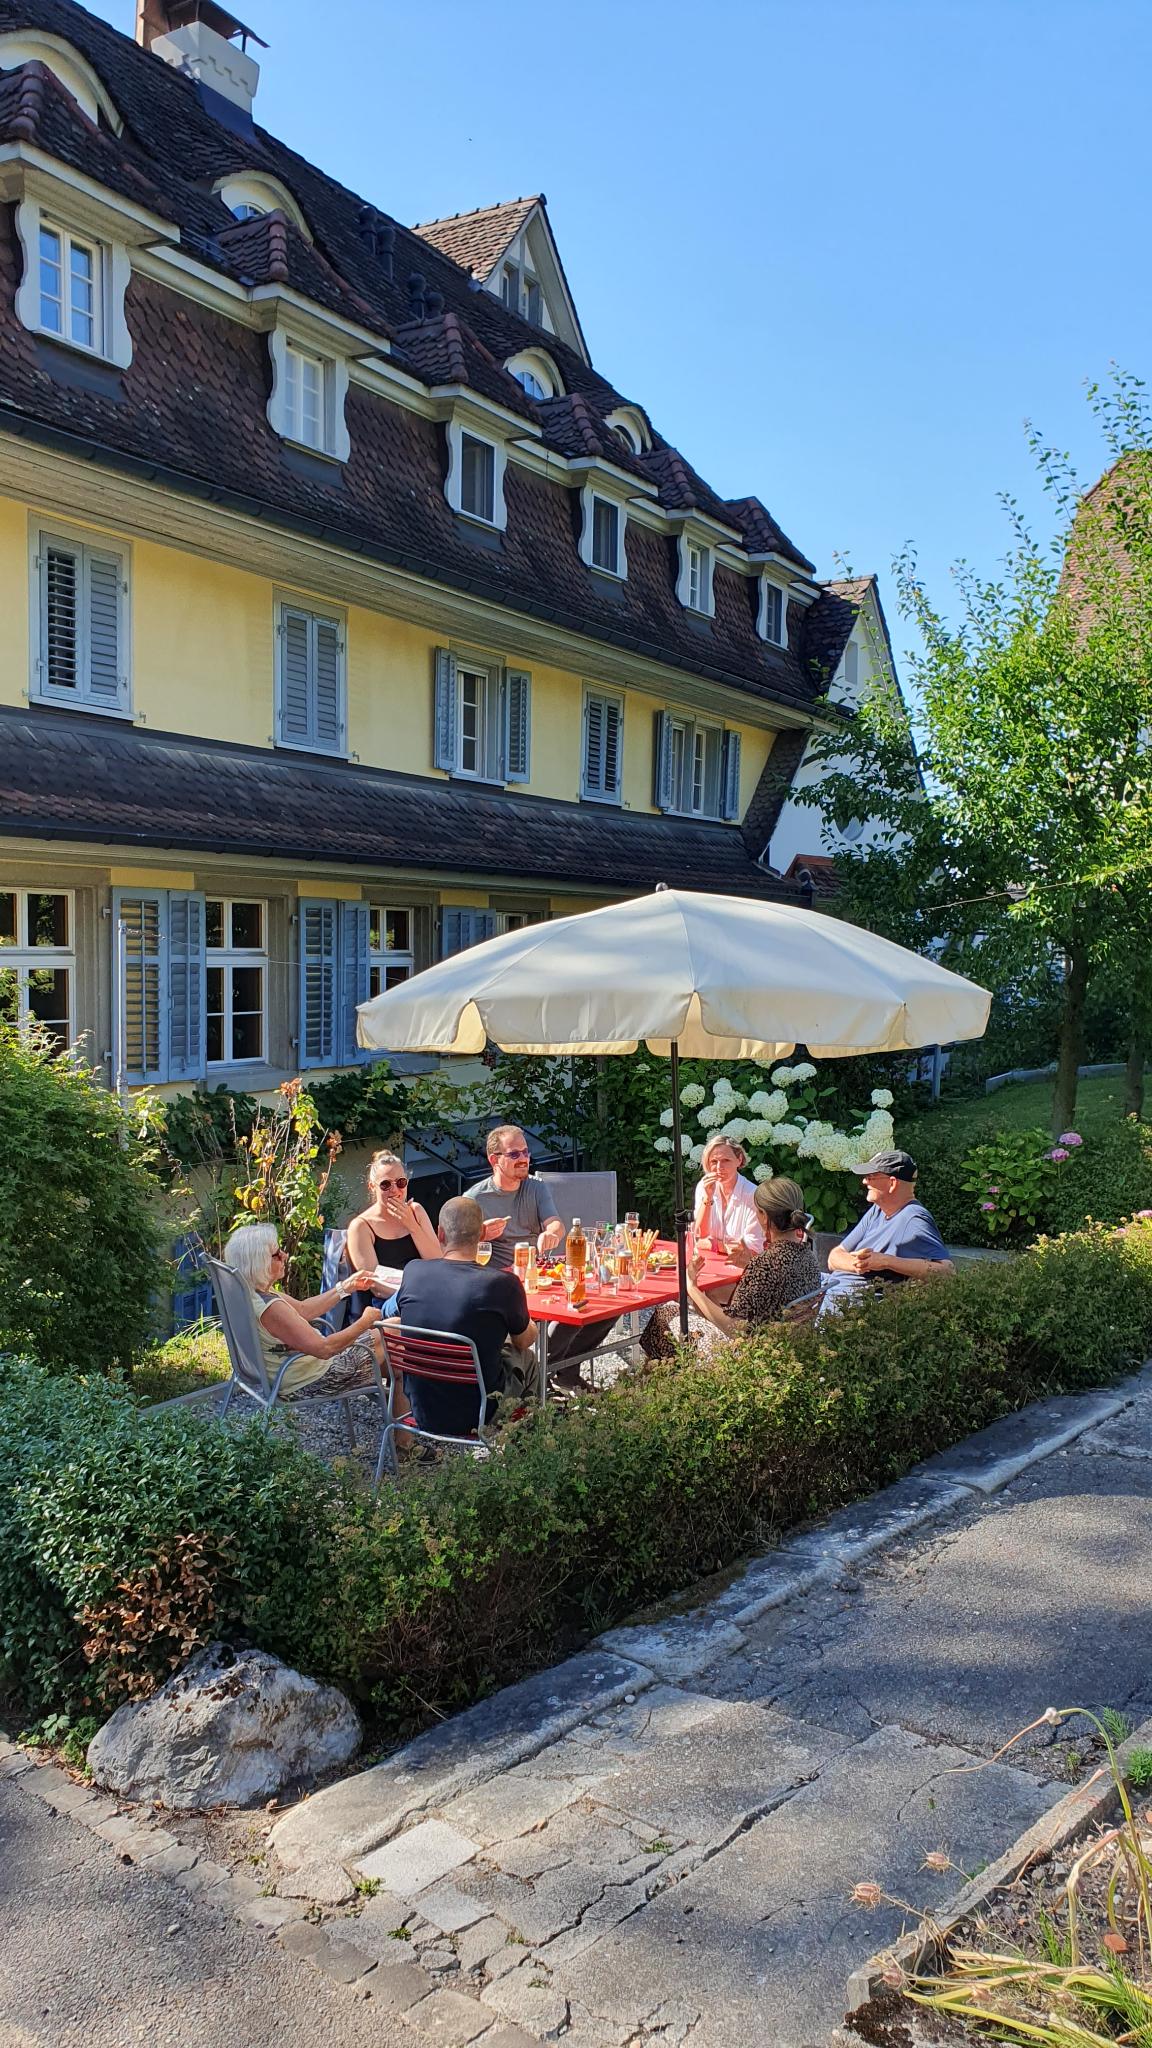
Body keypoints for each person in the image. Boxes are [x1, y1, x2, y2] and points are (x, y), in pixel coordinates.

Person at [394, 1196, 537, 1437]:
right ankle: (526, 1441)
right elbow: (523, 1340)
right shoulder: (502, 1284)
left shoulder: (413, 1271)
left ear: (440, 1233)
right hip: (479, 1412)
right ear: (482, 1234)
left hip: (421, 1408)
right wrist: (528, 1322)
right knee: (528, 1358)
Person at [642, 1176, 819, 1360]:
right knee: (710, 1295)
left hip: (752, 1356)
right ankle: (672, 1371)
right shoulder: (808, 1256)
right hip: (789, 1348)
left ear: (764, 1216)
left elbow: (734, 1328)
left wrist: (692, 1287)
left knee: (666, 1313)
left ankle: (663, 1375)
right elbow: (771, 1292)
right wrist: (751, 1264)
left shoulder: (766, 1263)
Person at [222, 1221, 388, 1400]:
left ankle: (398, 1398)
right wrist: (365, 1322)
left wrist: (346, 1286)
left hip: (297, 1372)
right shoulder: (271, 1309)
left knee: (396, 1363)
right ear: (259, 1263)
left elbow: (304, 1309)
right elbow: (325, 1348)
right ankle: (399, 1402)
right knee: (393, 1329)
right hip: (314, 1380)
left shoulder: (252, 1292)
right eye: (277, 1254)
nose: (285, 1255)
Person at [820, 1151, 954, 1313]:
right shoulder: (878, 1210)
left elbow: (947, 1271)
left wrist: (886, 1261)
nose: (864, 1181)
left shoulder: (914, 1218)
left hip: (857, 1309)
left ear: (892, 1183)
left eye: (871, 1176)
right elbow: (833, 1257)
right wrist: (858, 1264)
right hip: (835, 1295)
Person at [346, 1149, 440, 1316]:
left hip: (424, 1294)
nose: (395, 1190)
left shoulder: (416, 1211)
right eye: (386, 1184)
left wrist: (412, 1226)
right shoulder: (361, 1226)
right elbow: (375, 1286)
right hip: (387, 1303)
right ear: (372, 1187)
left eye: (401, 1182)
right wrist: (418, 1293)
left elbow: (437, 1261)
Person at [466, 1126, 565, 1270]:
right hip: (497, 1274)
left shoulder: (536, 1186)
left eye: (525, 1152)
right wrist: (481, 1234)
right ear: (494, 1160)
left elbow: (555, 1222)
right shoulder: (474, 1199)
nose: (523, 1159)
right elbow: (458, 1246)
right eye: (514, 1154)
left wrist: (551, 1233)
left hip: (534, 1271)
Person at [693, 1137, 765, 1263]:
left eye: (726, 1160)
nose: (719, 1167)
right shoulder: (704, 1187)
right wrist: (708, 1198)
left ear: (739, 1159)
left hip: (742, 1265)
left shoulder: (753, 1194)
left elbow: (753, 1248)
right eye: (714, 1161)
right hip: (710, 1261)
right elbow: (699, 1236)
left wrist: (715, 1244)